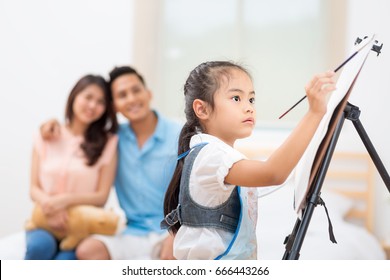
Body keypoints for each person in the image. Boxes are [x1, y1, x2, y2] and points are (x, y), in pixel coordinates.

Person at [161, 61, 336, 260]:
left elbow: (281, 173)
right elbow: (273, 173)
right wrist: (314, 113)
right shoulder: (211, 157)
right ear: (202, 109)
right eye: (236, 98)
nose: (248, 108)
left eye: (251, 100)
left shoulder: (226, 158)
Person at [42, 66, 181, 259]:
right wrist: (51, 124)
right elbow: (78, 134)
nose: (131, 99)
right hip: (133, 232)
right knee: (87, 250)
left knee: (173, 255)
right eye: (122, 95)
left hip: (173, 229)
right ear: (114, 105)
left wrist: (177, 231)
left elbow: (197, 194)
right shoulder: (112, 141)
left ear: (148, 94)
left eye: (136, 91)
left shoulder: (180, 134)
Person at [26, 74, 118, 260]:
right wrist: (50, 207)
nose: (92, 105)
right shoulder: (46, 134)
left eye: (100, 101)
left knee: (66, 261)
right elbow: (33, 188)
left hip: (80, 225)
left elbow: (101, 197)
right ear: (75, 96)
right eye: (88, 97)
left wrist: (64, 201)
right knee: (38, 248)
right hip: (45, 218)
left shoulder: (109, 143)